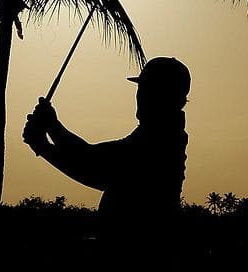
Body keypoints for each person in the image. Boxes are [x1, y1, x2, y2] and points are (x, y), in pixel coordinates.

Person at [22, 56, 190, 255]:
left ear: (165, 96)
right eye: (140, 90)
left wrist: (48, 135)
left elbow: (93, 166)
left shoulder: (160, 140)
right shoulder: (161, 135)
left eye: (146, 90)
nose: (140, 96)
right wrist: (47, 138)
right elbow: (92, 162)